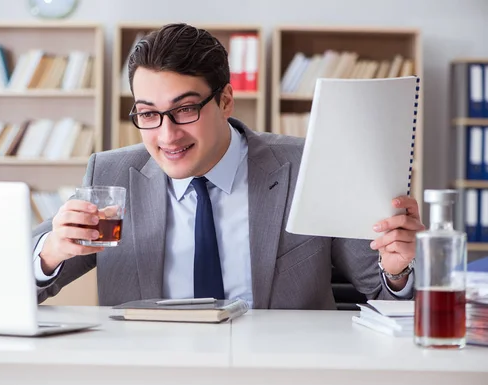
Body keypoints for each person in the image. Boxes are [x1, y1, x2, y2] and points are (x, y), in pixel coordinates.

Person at [32, 23, 424, 309]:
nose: (167, 135)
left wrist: (398, 269)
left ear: (225, 101)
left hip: (283, 377)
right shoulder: (111, 174)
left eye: (185, 109)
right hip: (153, 377)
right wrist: (49, 253)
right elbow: (5, 282)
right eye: (148, 114)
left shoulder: (306, 164)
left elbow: (382, 288)